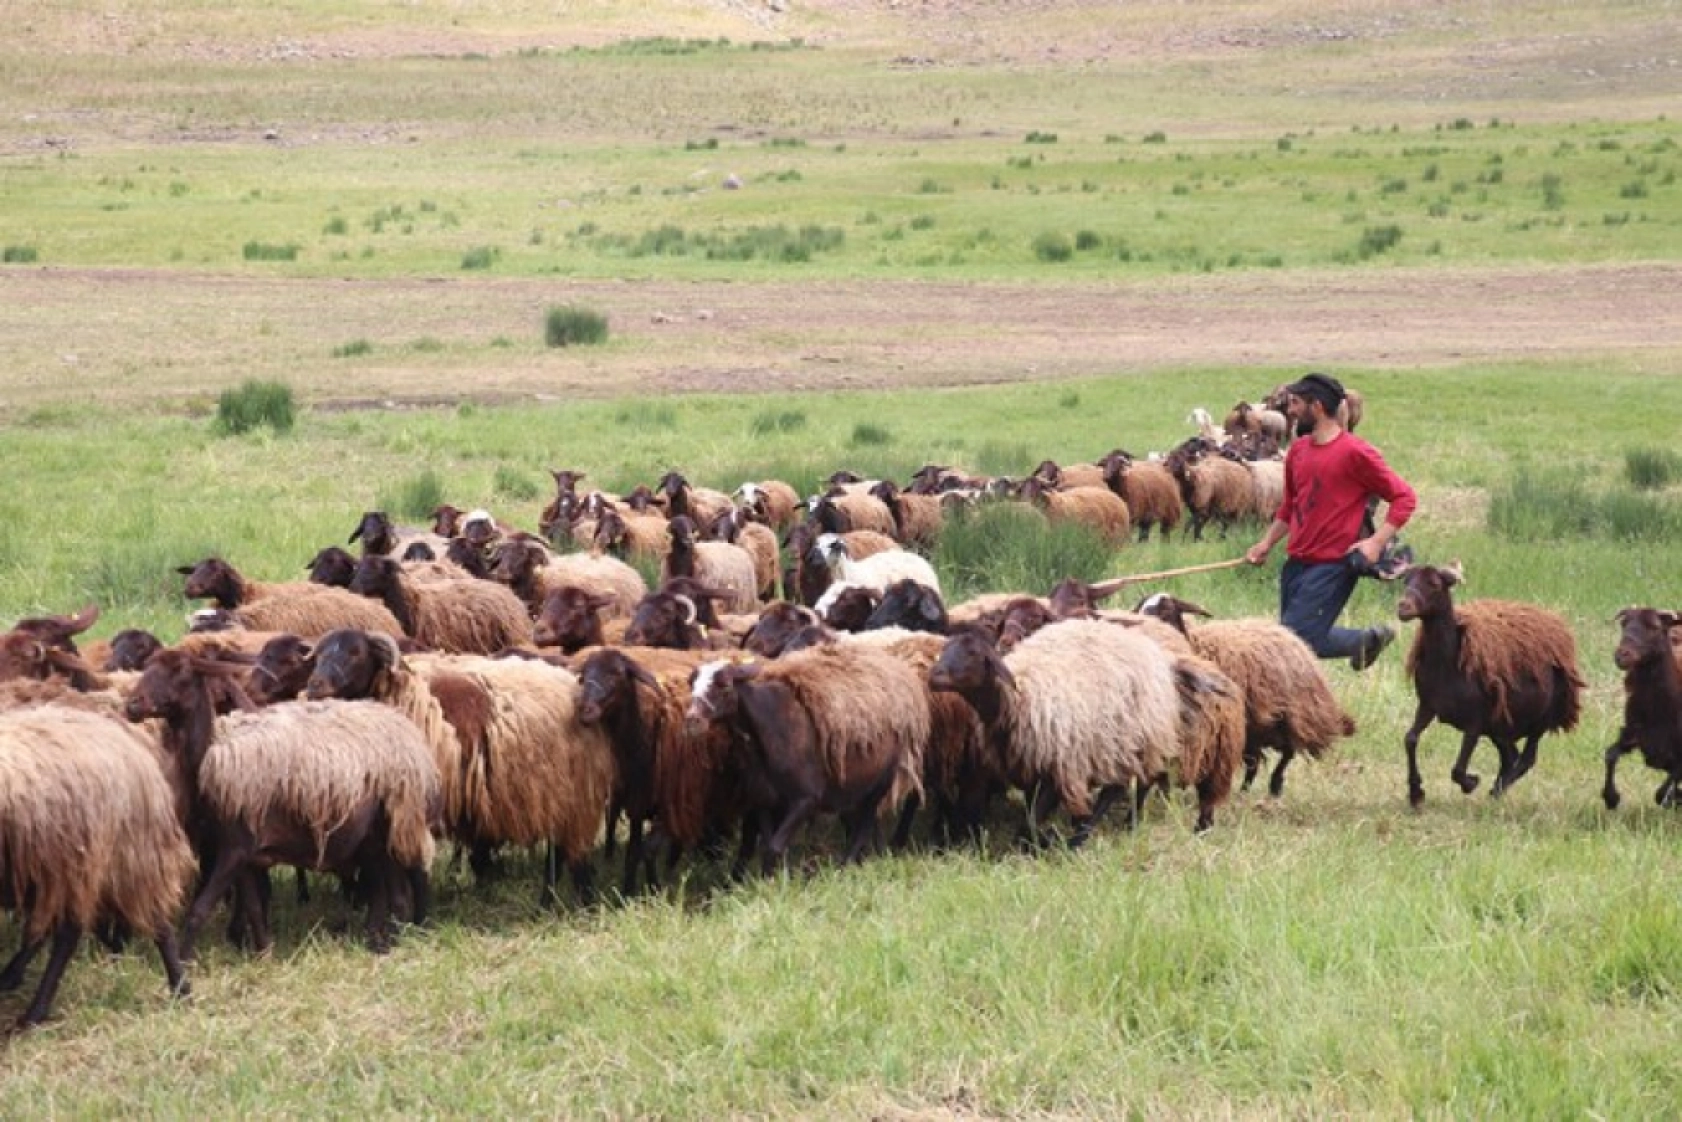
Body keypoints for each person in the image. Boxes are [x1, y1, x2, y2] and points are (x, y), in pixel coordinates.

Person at [1244, 372, 1416, 670]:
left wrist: (1376, 543)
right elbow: (1290, 507)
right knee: (1300, 643)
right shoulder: (1297, 451)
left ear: (1318, 407)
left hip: (1333, 565)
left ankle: (1360, 643)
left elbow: (1404, 498)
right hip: (1295, 564)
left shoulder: (1356, 453)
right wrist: (1266, 543)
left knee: (1291, 641)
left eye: (1297, 403)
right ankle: (1367, 641)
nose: (1291, 411)